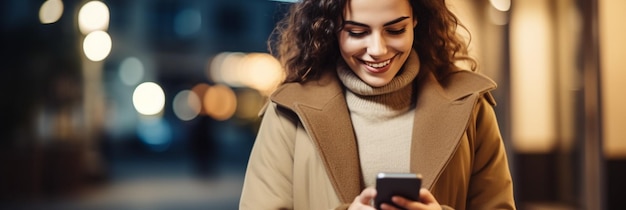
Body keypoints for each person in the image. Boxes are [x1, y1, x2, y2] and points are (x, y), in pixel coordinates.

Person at [240, 0, 516, 209]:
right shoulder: (289, 112)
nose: (378, 49)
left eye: (395, 29)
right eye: (357, 32)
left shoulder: (471, 105)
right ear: (331, 29)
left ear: (417, 20)